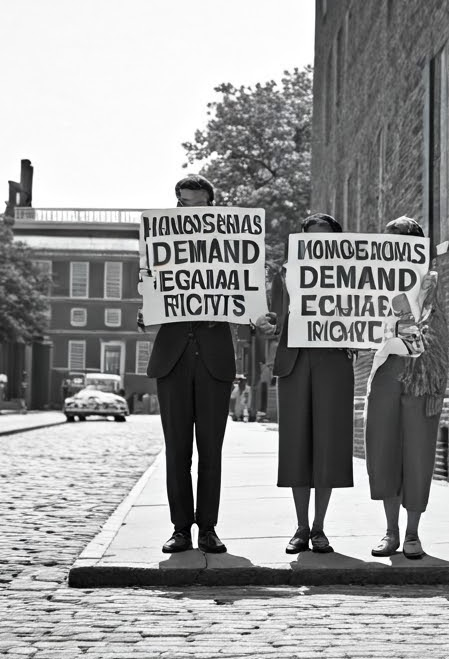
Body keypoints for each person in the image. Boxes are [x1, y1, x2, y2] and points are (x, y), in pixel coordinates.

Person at [143, 173, 234, 555]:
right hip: (172, 360)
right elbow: (148, 293)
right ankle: (180, 528)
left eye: (196, 204)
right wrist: (145, 310)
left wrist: (256, 314)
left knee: (210, 451)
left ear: (210, 206)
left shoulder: (233, 246)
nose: (189, 211)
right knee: (177, 450)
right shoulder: (158, 244)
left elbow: (247, 295)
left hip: (214, 360)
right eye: (182, 204)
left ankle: (208, 528)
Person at [256, 213, 354, 555]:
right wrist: (266, 324)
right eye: (310, 237)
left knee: (327, 447)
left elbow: (363, 313)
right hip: (294, 362)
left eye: (324, 238)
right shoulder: (284, 273)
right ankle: (300, 526)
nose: (317, 244)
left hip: (333, 362)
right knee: (297, 447)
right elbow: (275, 315)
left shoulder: (351, 273)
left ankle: (319, 527)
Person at [366, 217, 448, 560]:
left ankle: (413, 532)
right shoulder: (370, 281)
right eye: (388, 242)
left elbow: (432, 333)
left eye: (398, 241)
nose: (392, 248)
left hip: (419, 375)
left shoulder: (430, 282)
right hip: (384, 373)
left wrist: (401, 333)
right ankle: (390, 531)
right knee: (383, 451)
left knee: (417, 452)